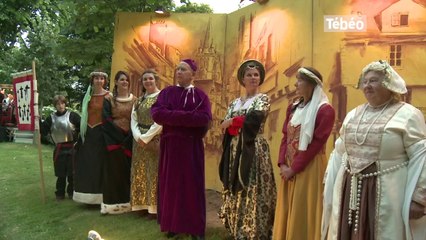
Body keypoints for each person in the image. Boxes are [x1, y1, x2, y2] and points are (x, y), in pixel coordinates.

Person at [322, 60, 426, 240]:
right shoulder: (353, 114)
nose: (367, 86)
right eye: (365, 81)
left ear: (388, 83)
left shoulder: (408, 114)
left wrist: (419, 198)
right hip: (349, 189)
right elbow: (340, 150)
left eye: (373, 81)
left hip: (389, 193)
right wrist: (329, 182)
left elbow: (421, 155)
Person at [151, 59, 212, 239]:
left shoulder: (200, 96)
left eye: (183, 69)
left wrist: (173, 118)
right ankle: (173, 225)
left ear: (192, 74)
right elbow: (156, 114)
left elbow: (203, 119)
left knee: (191, 187)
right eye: (177, 69)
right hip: (170, 147)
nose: (178, 72)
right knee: (171, 187)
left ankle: (195, 228)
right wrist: (186, 118)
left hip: (191, 147)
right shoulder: (167, 93)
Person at [272, 67, 335, 240]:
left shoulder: (325, 110)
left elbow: (315, 144)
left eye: (300, 80)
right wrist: (283, 164)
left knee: (303, 207)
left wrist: (294, 168)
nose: (296, 83)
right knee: (287, 207)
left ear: (311, 84)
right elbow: (285, 135)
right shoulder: (293, 107)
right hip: (289, 167)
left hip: (309, 168)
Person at [218, 59, 277, 239]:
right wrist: (233, 124)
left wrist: (232, 123)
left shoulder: (263, 99)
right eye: (249, 75)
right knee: (236, 184)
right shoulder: (234, 103)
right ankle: (237, 227)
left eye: (256, 75)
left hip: (254, 148)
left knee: (253, 185)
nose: (253, 78)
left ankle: (255, 229)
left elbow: (254, 120)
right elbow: (223, 126)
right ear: (242, 79)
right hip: (235, 149)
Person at [101, 70, 137, 214]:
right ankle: (111, 205)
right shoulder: (108, 100)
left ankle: (127, 202)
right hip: (113, 141)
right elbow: (106, 120)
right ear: (116, 82)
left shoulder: (135, 100)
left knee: (127, 172)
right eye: (121, 80)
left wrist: (128, 137)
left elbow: (136, 119)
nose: (124, 82)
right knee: (113, 172)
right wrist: (119, 136)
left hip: (130, 140)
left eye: (126, 80)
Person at [73, 71, 110, 204]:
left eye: (101, 78)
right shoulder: (87, 96)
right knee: (88, 164)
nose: (99, 81)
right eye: (96, 78)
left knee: (100, 164)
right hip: (88, 134)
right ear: (92, 80)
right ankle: (86, 196)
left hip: (102, 133)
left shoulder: (109, 96)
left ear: (105, 81)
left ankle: (101, 196)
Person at [130, 69, 162, 215]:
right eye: (145, 79)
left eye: (150, 78)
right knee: (139, 171)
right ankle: (140, 206)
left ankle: (153, 208)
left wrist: (146, 138)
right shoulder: (138, 100)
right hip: (139, 141)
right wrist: (138, 137)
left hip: (154, 139)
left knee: (153, 172)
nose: (148, 81)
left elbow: (161, 120)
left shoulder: (162, 97)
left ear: (155, 80)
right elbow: (133, 120)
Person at [41, 95, 81, 200]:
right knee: (60, 173)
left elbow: (82, 127)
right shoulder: (51, 118)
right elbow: (44, 131)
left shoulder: (73, 116)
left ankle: (72, 192)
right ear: (55, 105)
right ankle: (60, 193)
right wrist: (37, 123)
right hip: (59, 148)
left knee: (72, 173)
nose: (61, 106)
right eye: (58, 104)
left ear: (65, 103)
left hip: (72, 147)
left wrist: (79, 141)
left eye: (62, 103)